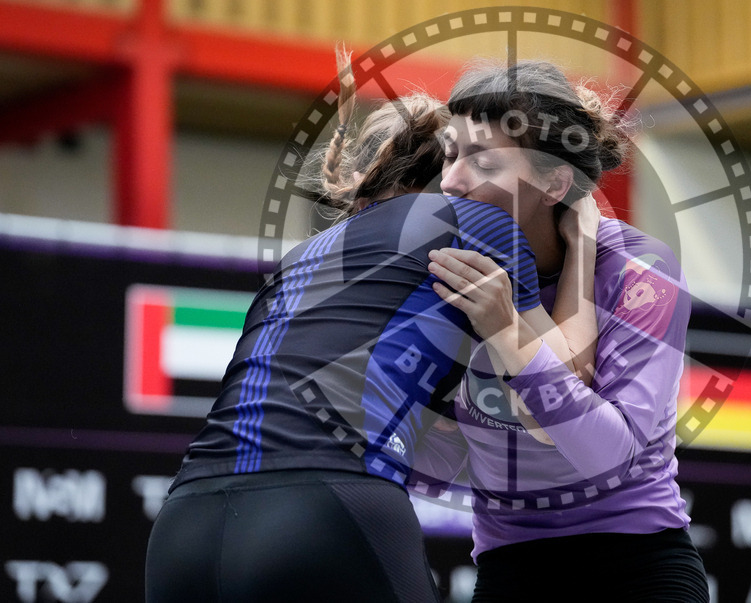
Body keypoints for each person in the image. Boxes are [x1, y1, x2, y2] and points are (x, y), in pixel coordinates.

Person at [144, 76, 562, 602]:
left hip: (184, 524)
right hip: (325, 509)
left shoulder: (300, 257)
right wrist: (584, 244)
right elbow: (562, 392)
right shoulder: (475, 222)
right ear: (446, 173)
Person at [412, 59, 710, 602]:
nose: (450, 182)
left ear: (554, 183)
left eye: (483, 161)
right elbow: (439, 462)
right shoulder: (438, 267)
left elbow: (606, 455)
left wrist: (507, 330)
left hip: (638, 565)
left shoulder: (641, 270)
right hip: (510, 566)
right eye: (450, 154)